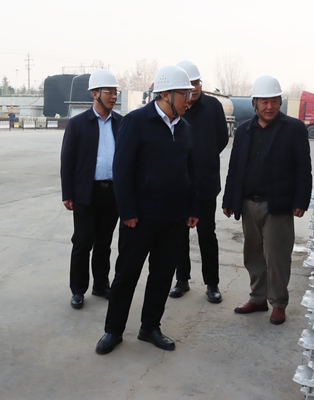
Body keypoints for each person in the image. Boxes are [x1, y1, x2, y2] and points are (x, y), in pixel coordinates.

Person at [95, 66, 199, 355]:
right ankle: (113, 330)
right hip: (139, 218)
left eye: (189, 94)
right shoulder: (137, 121)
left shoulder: (185, 127)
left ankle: (150, 327)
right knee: (126, 275)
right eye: (184, 94)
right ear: (165, 94)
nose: (188, 99)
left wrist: (192, 207)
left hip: (174, 218)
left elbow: (190, 172)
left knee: (162, 275)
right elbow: (122, 169)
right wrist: (127, 210)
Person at [222, 75, 311, 326]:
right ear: (254, 103)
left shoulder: (294, 129)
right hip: (248, 203)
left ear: (280, 102)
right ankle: (258, 298)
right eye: (264, 101)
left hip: (277, 205)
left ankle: (278, 303)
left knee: (277, 256)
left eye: (274, 101)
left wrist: (301, 200)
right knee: (252, 254)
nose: (269, 106)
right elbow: (235, 167)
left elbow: (303, 167)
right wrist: (229, 199)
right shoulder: (243, 130)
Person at [60, 69, 122, 310]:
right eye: (109, 92)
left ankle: (101, 284)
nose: (113, 96)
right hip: (86, 192)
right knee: (83, 241)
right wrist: (68, 193)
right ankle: (78, 289)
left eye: (115, 92)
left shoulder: (121, 123)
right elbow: (67, 160)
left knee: (104, 243)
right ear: (95, 93)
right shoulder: (78, 124)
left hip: (112, 193)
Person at [169, 60, 228, 303]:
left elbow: (222, 139)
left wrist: (205, 158)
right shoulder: (173, 107)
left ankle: (212, 283)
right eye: (188, 85)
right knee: (179, 235)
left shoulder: (213, 107)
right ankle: (181, 279)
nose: (192, 89)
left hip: (205, 183)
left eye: (196, 83)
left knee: (207, 234)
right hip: (178, 184)